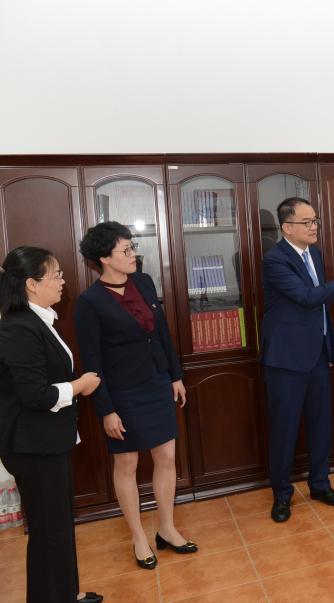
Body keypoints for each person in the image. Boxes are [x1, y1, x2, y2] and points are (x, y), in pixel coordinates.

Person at [75, 222, 197, 570]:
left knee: (167, 456)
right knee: (127, 464)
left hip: (156, 382)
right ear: (104, 258)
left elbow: (163, 334)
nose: (134, 254)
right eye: (126, 250)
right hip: (122, 392)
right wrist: (106, 410)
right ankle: (138, 536)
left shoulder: (143, 282)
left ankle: (167, 528)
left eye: (133, 247)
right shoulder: (89, 303)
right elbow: (92, 364)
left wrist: (174, 375)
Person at [261, 197, 334, 523]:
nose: (314, 227)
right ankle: (282, 495)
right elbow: (306, 296)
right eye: (307, 222)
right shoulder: (275, 259)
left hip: (316, 354)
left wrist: (331, 340)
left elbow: (322, 306)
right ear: (287, 227)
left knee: (321, 423)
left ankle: (320, 485)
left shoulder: (315, 254)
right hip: (286, 359)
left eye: (315, 221)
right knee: (284, 429)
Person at [0, 246, 103, 603]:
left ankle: (66, 592)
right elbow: (36, 395)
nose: (62, 281)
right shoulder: (17, 328)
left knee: (57, 526)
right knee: (48, 532)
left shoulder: (39, 319)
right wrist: (79, 385)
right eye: (56, 275)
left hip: (47, 441)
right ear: (31, 283)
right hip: (32, 445)